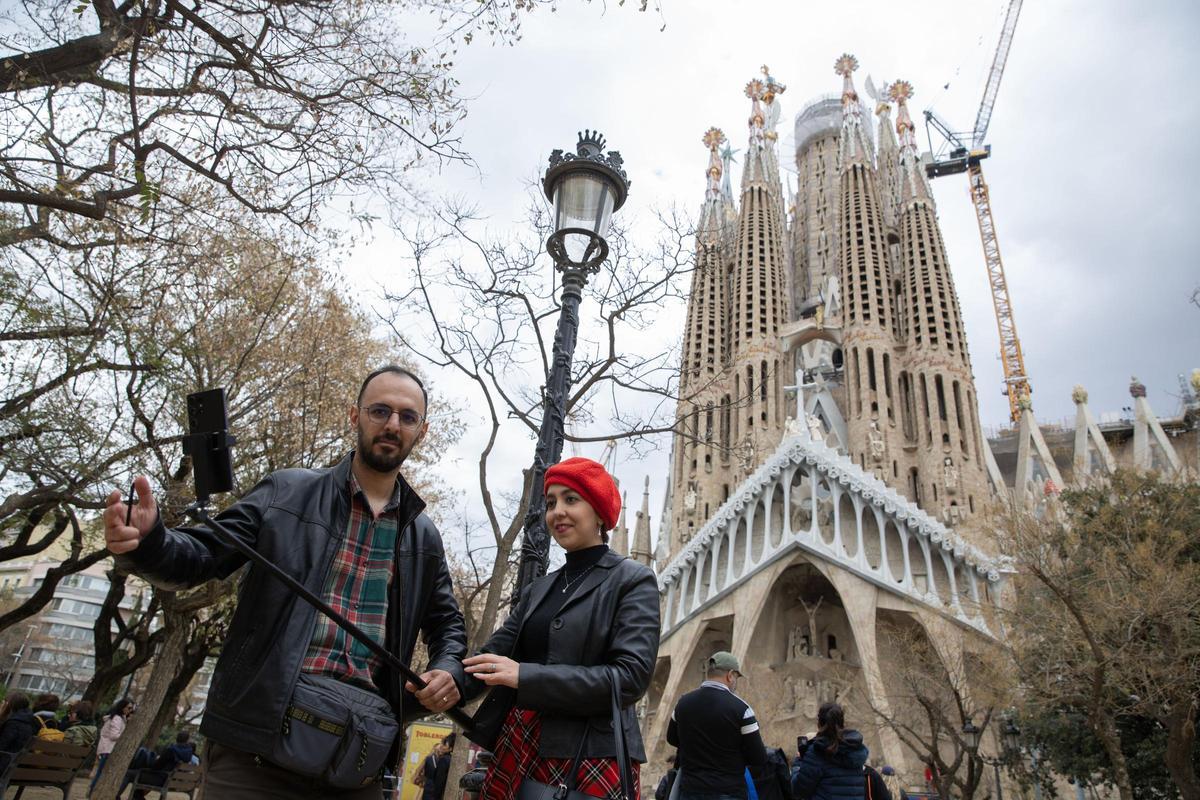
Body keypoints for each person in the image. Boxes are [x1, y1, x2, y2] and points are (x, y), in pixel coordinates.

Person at [103, 365, 468, 800]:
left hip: (357, 759)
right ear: (355, 416)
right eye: (380, 410)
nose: (392, 424)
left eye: (407, 417)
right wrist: (148, 544)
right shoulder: (287, 490)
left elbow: (448, 626)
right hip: (254, 747)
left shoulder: (422, 536)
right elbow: (200, 556)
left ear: (421, 431)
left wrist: (448, 670)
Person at [464, 457, 661, 800]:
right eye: (551, 502)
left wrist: (526, 677)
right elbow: (493, 655)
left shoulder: (633, 579)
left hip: (590, 756)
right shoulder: (540, 588)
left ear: (599, 512)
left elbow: (629, 679)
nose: (557, 512)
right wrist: (447, 678)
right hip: (519, 744)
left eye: (572, 499)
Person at [667, 651, 766, 800]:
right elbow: (758, 758)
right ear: (730, 675)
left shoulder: (683, 703)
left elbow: (672, 738)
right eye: (737, 678)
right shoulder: (742, 709)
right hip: (729, 791)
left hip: (690, 790)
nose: (735, 682)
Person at [791, 703, 883, 800]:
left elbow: (799, 790)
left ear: (819, 724)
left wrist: (799, 762)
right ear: (842, 723)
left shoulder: (817, 752)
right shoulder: (854, 750)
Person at [90, 697, 134, 796]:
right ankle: (92, 793)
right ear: (122, 707)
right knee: (100, 774)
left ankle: (93, 792)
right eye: (129, 708)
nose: (130, 711)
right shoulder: (117, 719)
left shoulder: (120, 718)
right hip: (108, 749)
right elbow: (114, 736)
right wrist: (126, 735)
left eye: (132, 709)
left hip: (107, 749)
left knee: (101, 773)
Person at [0, 693, 37, 771]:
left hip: (4, 766)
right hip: (16, 767)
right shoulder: (28, 722)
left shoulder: (13, 723)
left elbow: (2, 745)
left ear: (8, 705)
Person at [423, 733, 456, 800]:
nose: (441, 746)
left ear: (450, 749)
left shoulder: (444, 760)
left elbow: (439, 782)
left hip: (432, 795)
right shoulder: (450, 759)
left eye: (444, 744)